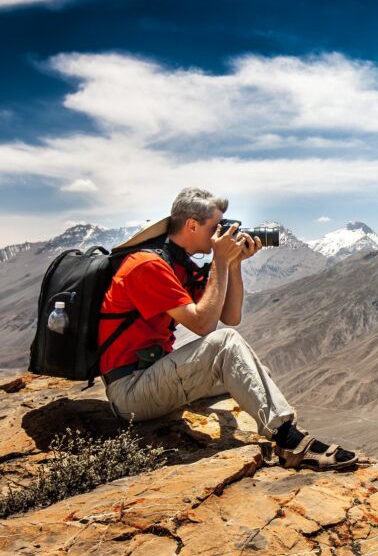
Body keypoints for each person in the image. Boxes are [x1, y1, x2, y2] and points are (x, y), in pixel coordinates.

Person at [98, 187, 356, 470]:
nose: (223, 233)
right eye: (216, 226)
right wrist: (219, 261)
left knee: (253, 374)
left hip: (153, 377)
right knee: (226, 345)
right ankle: (290, 442)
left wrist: (233, 265)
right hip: (131, 391)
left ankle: (279, 432)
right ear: (192, 225)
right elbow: (205, 325)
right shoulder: (146, 265)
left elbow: (230, 316)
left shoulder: (179, 265)